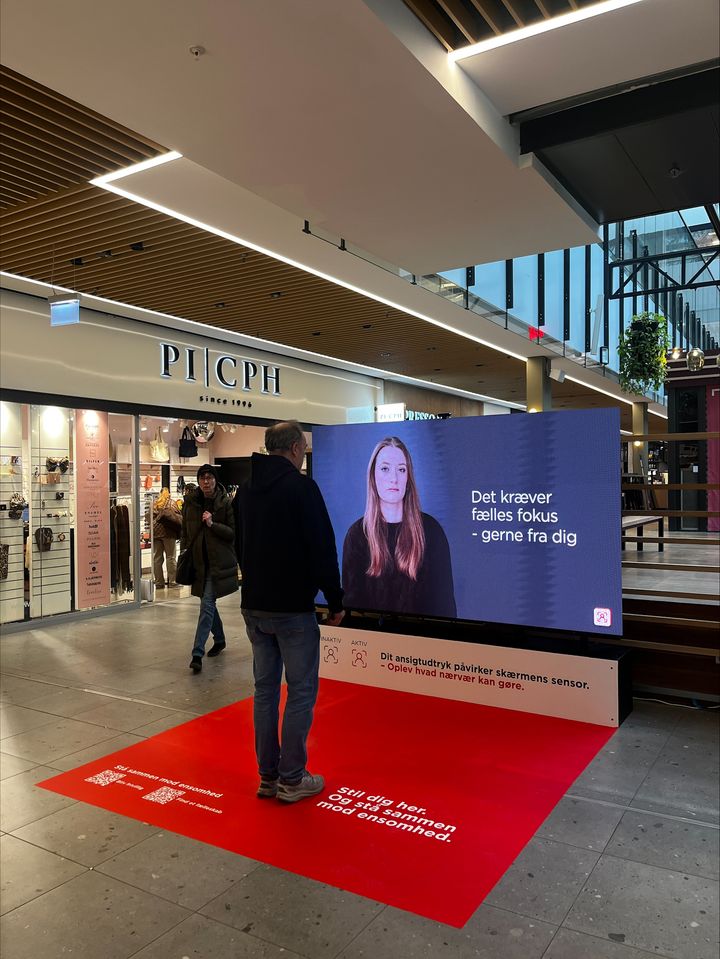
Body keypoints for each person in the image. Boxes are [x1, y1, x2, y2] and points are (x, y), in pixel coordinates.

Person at [235, 420, 344, 804]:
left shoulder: (246, 490)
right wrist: (335, 600)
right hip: (293, 610)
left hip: (254, 605)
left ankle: (268, 776)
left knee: (264, 691)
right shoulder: (302, 489)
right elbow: (323, 549)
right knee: (300, 692)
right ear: (296, 448)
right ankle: (293, 778)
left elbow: (239, 546)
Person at [342, 436, 456, 618]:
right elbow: (351, 606)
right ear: (373, 476)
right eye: (385, 469)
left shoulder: (432, 531)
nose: (394, 478)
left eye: (401, 470)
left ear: (408, 477)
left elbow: (445, 606)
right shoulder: (357, 534)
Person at [182, 464, 238, 673]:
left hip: (218, 563)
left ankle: (197, 653)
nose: (206, 481)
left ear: (215, 480)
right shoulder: (190, 503)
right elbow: (185, 532)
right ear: (198, 481)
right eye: (203, 478)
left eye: (210, 477)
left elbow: (232, 533)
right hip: (199, 563)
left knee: (206, 604)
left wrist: (213, 524)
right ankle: (220, 639)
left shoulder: (225, 503)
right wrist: (184, 552)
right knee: (209, 605)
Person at [151, 488, 182, 588]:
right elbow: (178, 517)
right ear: (168, 494)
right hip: (168, 533)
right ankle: (173, 581)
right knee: (171, 557)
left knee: (157, 558)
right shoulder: (172, 503)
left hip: (155, 533)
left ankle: (159, 582)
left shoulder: (155, 503)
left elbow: (149, 517)